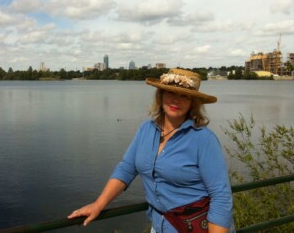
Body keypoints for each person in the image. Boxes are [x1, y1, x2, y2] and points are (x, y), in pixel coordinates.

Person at [68, 68, 234, 233]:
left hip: (195, 227)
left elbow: (220, 196)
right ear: (160, 95)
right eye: (170, 92)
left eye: (184, 96)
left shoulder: (203, 139)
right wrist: (98, 204)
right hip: (159, 225)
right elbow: (126, 169)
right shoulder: (146, 130)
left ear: (192, 103)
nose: (176, 100)